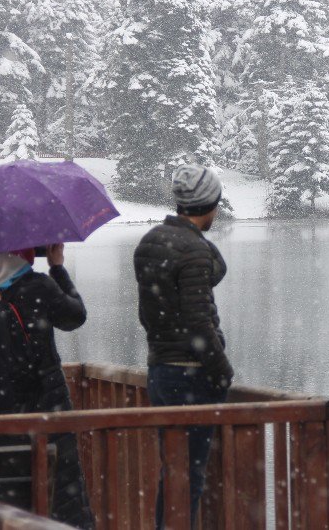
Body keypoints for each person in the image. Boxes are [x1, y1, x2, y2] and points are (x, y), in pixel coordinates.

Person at [0, 244, 95, 529]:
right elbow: (75, 316)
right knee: (60, 494)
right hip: (45, 411)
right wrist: (57, 267)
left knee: (6, 497)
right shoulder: (38, 287)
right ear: (26, 253)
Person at [134, 164, 234, 529]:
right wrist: (223, 372)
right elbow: (199, 324)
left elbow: (150, 312)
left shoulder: (151, 241)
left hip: (160, 371)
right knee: (189, 478)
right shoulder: (192, 250)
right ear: (211, 203)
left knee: (173, 471)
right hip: (192, 377)